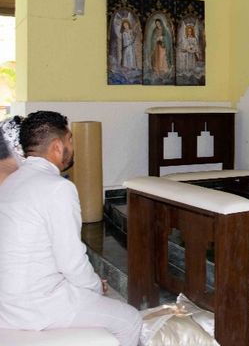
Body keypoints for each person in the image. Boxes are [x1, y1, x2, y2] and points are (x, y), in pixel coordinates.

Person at [0, 111, 142, 345]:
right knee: (130, 319)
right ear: (57, 146)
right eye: (70, 141)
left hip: (7, 300)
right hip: (34, 306)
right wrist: (95, 288)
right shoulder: (57, 188)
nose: (72, 147)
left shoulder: (12, 182)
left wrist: (90, 283)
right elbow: (70, 260)